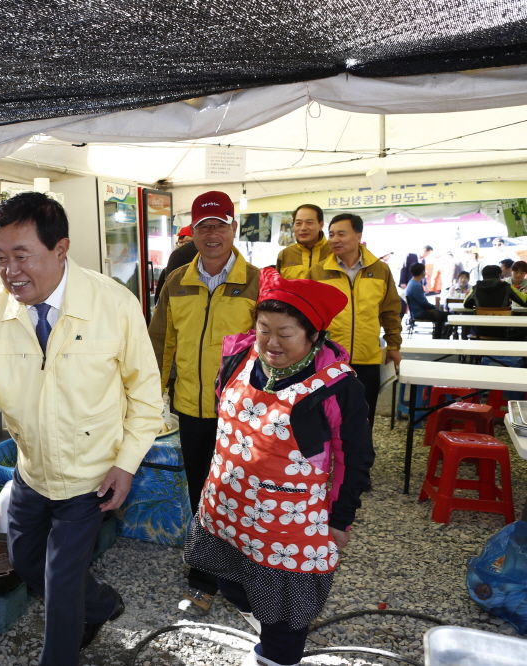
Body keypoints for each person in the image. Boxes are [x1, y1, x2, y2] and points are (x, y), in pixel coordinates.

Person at [0, 192, 161, 664]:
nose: (9, 271)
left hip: (91, 476)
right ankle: (103, 603)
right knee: (27, 562)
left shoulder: (114, 305)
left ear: (61, 249)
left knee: (62, 583)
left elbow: (147, 399)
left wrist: (126, 464)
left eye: (21, 256)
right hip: (32, 471)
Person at [184, 267, 375, 666]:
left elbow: (354, 460)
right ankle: (262, 631)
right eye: (263, 328)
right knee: (232, 585)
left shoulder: (337, 387)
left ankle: (276, 656)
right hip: (225, 508)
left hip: (285, 524)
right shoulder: (239, 356)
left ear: (314, 335)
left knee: (284, 619)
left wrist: (340, 520)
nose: (270, 342)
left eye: (285, 333)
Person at [149, 190, 260, 616]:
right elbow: (162, 341)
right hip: (192, 408)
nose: (212, 233)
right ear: (192, 233)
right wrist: (155, 394)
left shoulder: (258, 280)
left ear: (233, 228)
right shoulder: (177, 281)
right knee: (201, 493)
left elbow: (271, 344)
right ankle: (203, 578)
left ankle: (244, 576)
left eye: (219, 224)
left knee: (243, 492)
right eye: (203, 226)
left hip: (242, 413)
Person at [308, 213, 402, 428]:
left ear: (358, 236)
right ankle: (327, 461)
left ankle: (360, 461)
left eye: (342, 234)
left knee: (363, 415)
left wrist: (394, 345)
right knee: (325, 416)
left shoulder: (380, 270)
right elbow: (308, 316)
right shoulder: (318, 272)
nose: (334, 239)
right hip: (328, 358)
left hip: (367, 358)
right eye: (331, 234)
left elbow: (390, 311)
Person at [274, 204, 329, 280]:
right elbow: (277, 288)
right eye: (298, 223)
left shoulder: (335, 253)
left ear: (321, 225)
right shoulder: (285, 254)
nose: (303, 228)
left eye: (309, 222)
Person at [404, 264, 447, 339]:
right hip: (420, 313)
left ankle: (438, 336)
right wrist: (435, 308)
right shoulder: (416, 285)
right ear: (422, 272)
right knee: (447, 316)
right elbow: (424, 303)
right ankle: (439, 337)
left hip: (416, 312)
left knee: (443, 314)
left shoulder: (411, 283)